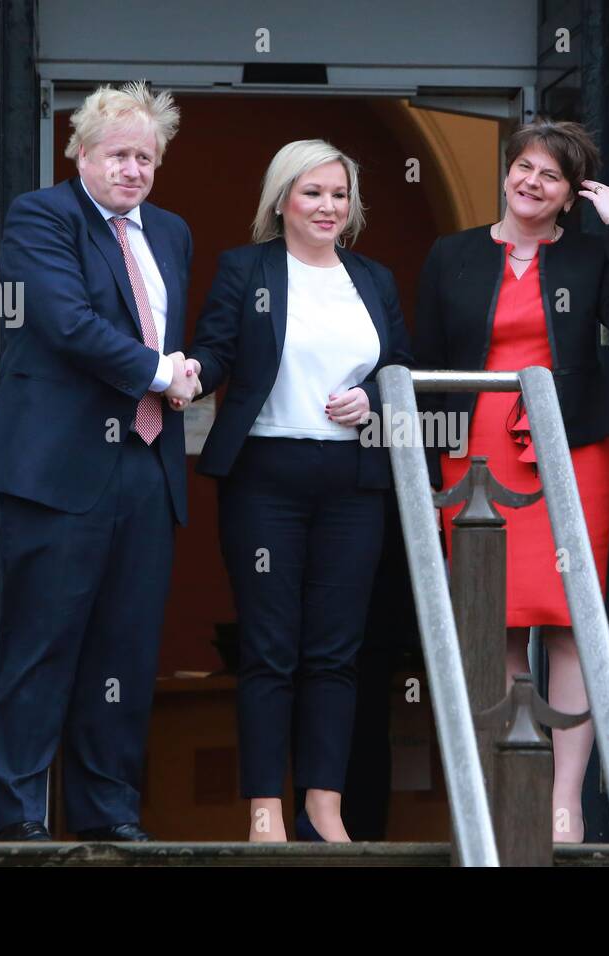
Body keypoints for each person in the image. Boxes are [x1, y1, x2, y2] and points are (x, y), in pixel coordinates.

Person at [414, 118, 609, 844]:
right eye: (523, 167)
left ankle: (566, 800)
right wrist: (430, 478)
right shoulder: (452, 255)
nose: (531, 182)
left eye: (549, 175)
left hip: (570, 449)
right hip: (474, 450)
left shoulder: (587, 255)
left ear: (570, 193)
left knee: (571, 621)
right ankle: (504, 787)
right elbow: (422, 367)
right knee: (497, 623)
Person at [0, 82, 198, 841]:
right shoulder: (42, 216)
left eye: (146, 157)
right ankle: (20, 823)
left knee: (125, 652)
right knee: (40, 651)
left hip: (147, 465)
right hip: (59, 467)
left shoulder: (170, 232)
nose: (132, 170)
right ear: (79, 152)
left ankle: (109, 816)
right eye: (117, 155)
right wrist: (161, 372)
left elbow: (163, 332)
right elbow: (67, 323)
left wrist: (183, 370)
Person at [187, 140, 413, 843]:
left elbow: (399, 365)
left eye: (339, 195)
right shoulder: (245, 269)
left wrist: (372, 399)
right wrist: (189, 371)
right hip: (266, 478)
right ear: (282, 198)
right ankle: (264, 809)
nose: (327, 207)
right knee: (269, 647)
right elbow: (217, 349)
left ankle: (324, 804)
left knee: (337, 651)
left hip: (353, 481)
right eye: (312, 193)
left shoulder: (373, 278)